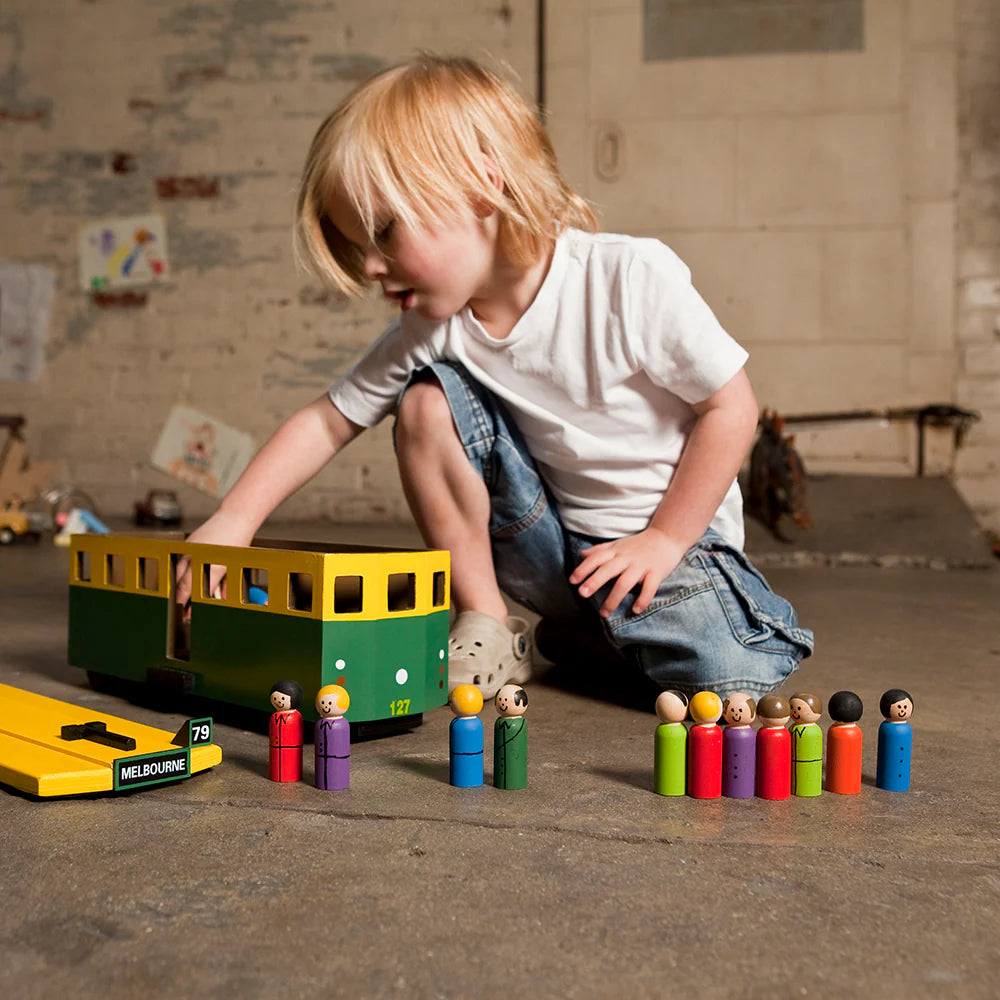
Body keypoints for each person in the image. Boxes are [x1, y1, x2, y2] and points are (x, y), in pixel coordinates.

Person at [177, 54, 813, 703]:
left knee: (733, 681)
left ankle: (614, 636)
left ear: (483, 183)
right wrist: (234, 520)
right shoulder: (434, 328)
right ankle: (487, 621)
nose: (369, 266)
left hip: (672, 549)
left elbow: (731, 409)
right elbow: (327, 420)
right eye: (356, 246)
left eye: (384, 232)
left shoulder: (627, 278)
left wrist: (663, 539)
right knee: (426, 400)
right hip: (554, 551)